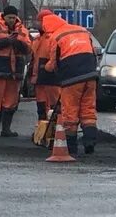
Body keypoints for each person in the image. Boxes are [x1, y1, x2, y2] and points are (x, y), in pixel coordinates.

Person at [38, 10, 99, 156]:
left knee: (70, 112)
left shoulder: (56, 37)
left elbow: (53, 63)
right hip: (90, 75)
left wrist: (44, 68)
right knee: (88, 110)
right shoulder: (82, 30)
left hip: (72, 79)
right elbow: (94, 52)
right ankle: (90, 142)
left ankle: (71, 148)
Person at [0, 5, 31, 137]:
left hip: (15, 71)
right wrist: (7, 41)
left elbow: (28, 49)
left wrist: (17, 43)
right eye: (10, 17)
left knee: (11, 101)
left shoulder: (22, 30)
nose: (11, 20)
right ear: (4, 16)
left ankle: (6, 129)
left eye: (14, 18)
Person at [29, 9, 62, 124]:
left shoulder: (54, 37)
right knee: (41, 105)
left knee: (55, 105)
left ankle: (55, 129)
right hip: (40, 78)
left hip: (51, 77)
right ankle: (42, 128)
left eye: (40, 21)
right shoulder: (38, 38)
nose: (37, 24)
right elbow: (34, 58)